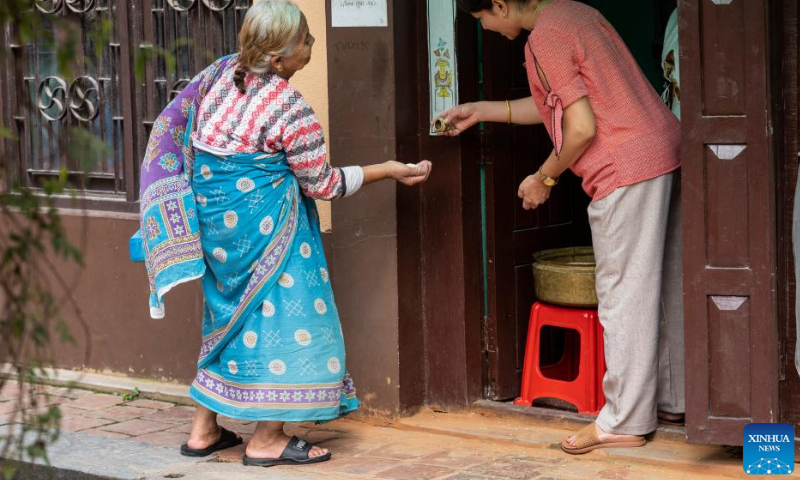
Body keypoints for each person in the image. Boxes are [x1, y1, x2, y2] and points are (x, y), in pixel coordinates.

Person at [138, 1, 431, 467]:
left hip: (219, 237)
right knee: (289, 325)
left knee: (226, 323)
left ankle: (203, 430)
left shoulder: (217, 79)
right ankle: (268, 439)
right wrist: (388, 170)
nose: (312, 46)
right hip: (271, 238)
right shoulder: (289, 107)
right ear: (277, 59)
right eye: (306, 41)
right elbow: (324, 184)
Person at [439, 0, 684, 454]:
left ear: (499, 4)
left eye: (484, 20)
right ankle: (671, 400)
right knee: (666, 287)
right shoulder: (572, 13)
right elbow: (554, 106)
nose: (488, 29)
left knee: (622, 293)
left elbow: (580, 128)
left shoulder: (544, 37)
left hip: (622, 166)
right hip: (661, 151)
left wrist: (544, 178)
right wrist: (480, 109)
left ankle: (625, 420)